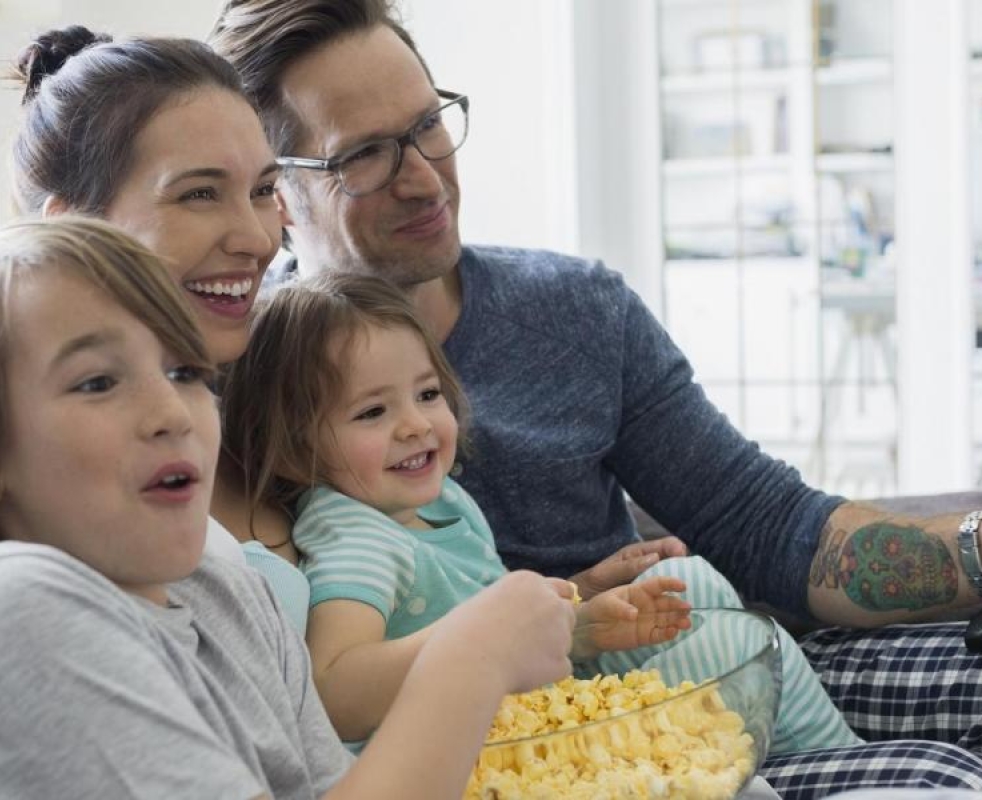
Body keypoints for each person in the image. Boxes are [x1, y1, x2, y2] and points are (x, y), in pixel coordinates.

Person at [0, 27, 673, 800]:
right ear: (80, 226)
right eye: (198, 192)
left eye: (260, 191)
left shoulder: (264, 366)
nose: (257, 236)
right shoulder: (3, 542)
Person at [204, 0, 982, 794]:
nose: (422, 176)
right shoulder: (245, 384)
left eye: (428, 125)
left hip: (693, 657)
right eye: (364, 155)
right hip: (559, 752)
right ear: (279, 198)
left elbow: (764, 524)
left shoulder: (575, 308)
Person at [0, 213, 581, 798]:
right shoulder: (11, 606)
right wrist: (471, 660)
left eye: (183, 371)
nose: (171, 411)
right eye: (96, 382)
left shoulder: (220, 581)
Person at [222, 271, 862, 755]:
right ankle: (840, 765)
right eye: (371, 412)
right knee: (726, 638)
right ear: (296, 445)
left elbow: (493, 603)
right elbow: (334, 690)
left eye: (426, 393)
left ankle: (818, 758)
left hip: (529, 706)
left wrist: (582, 591)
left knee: (688, 587)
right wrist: (529, 635)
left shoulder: (438, 499)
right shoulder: (355, 534)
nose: (416, 425)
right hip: (480, 749)